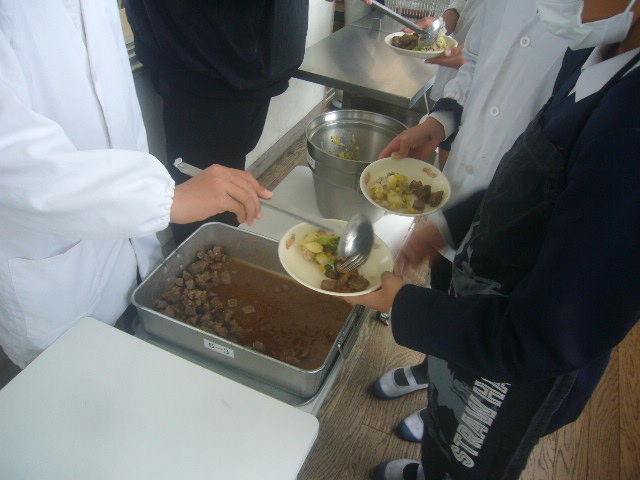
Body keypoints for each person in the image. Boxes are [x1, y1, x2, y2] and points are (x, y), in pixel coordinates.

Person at [347, 0, 640, 478]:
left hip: (519, 365)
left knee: (469, 450)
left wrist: (403, 306)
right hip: (485, 298)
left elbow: (543, 338)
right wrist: (452, 223)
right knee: (447, 407)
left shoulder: (629, 133)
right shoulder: (592, 54)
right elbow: (533, 173)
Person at [0, 0, 271, 369]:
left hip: (125, 249)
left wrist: (145, 200)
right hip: (51, 263)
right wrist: (165, 200)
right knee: (72, 379)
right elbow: (13, 158)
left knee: (133, 352)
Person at [370, 0, 569, 445]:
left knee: (482, 315)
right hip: (464, 186)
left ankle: (449, 407)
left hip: (524, 211)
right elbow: (475, 60)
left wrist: (401, 304)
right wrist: (439, 122)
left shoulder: (594, 29)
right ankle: (432, 368)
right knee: (445, 279)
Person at [124, 0, 314, 245]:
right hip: (203, 54)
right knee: (200, 196)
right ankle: (206, 258)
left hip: (259, 52)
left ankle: (224, 244)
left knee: (232, 165)